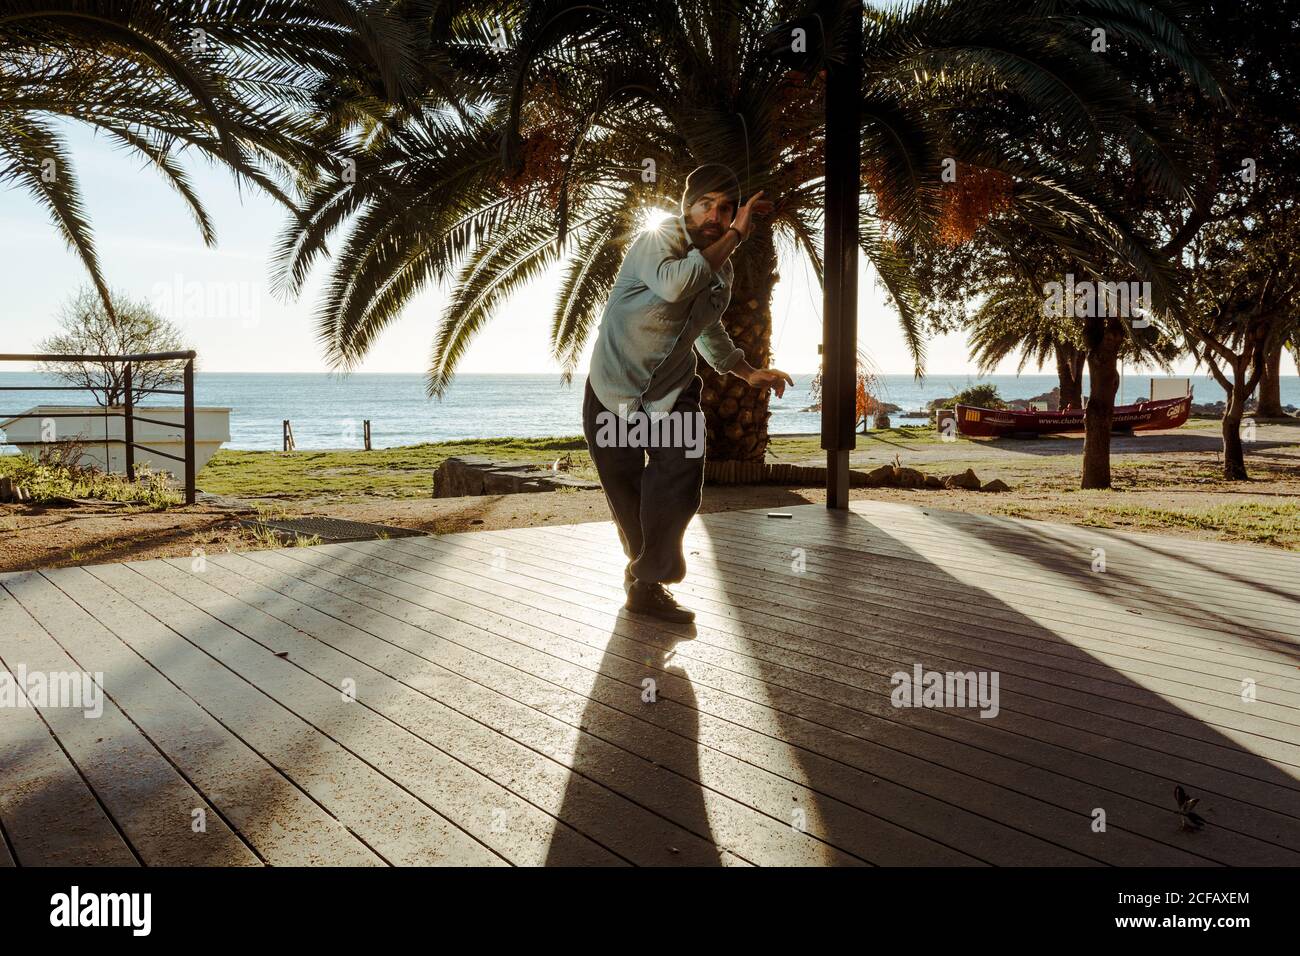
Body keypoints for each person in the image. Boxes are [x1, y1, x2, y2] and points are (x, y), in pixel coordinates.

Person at [583, 163, 793, 623]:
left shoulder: (722, 268)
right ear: (686, 206)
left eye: (727, 208)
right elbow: (677, 285)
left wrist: (745, 370)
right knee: (627, 494)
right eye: (707, 205)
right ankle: (644, 585)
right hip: (612, 389)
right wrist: (737, 235)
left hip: (673, 391)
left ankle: (649, 577)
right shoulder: (656, 240)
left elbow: (708, 327)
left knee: (679, 481)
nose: (717, 216)